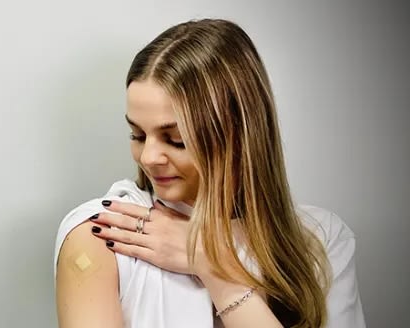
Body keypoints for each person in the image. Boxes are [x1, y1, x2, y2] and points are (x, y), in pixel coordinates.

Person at [54, 19, 366, 328]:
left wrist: (215, 269)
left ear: (239, 135)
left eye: (176, 139)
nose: (148, 157)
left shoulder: (322, 239)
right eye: (137, 135)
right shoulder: (104, 234)